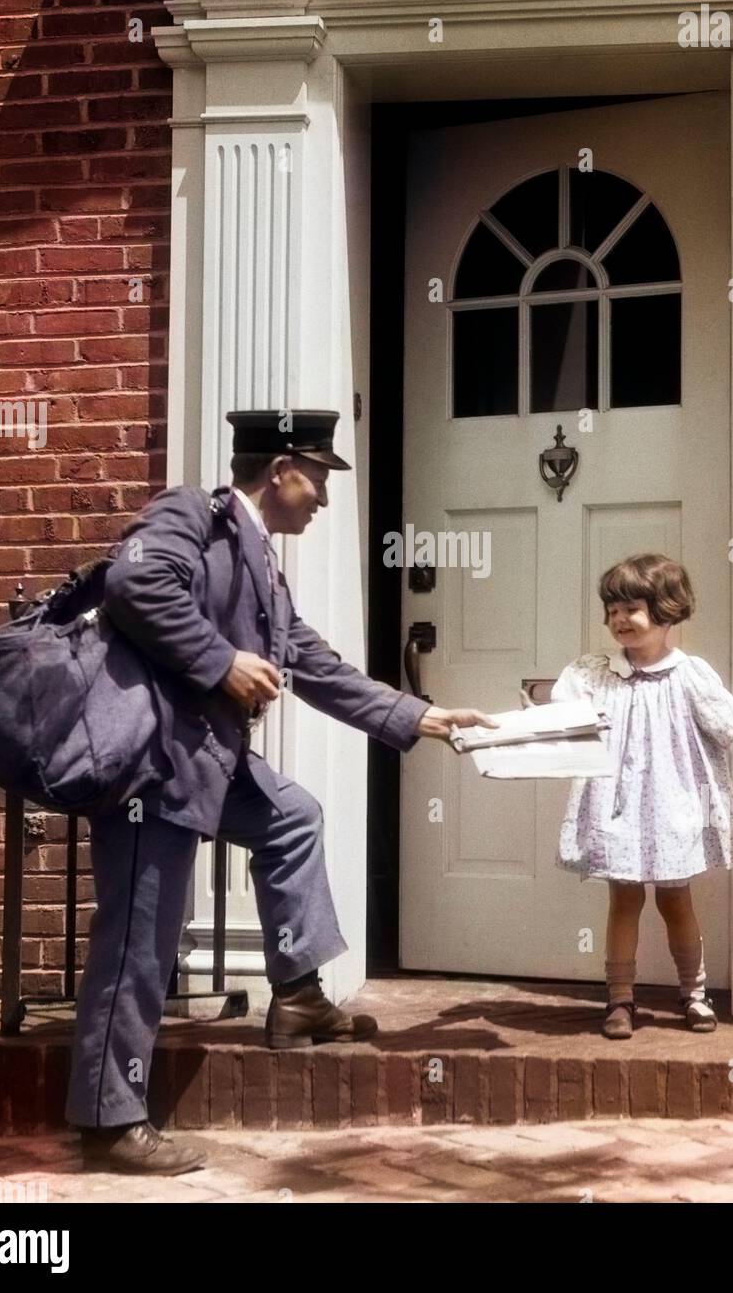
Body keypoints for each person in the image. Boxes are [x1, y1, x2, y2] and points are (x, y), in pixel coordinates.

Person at [68, 408, 496, 1175]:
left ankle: (297, 993)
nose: (325, 500)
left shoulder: (261, 560)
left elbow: (310, 660)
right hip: (153, 765)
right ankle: (109, 1119)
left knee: (291, 817)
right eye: (320, 479)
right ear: (280, 472)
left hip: (207, 759)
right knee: (139, 937)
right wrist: (220, 661)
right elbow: (134, 582)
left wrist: (420, 716)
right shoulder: (190, 513)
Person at [549, 553, 733, 1040]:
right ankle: (620, 1000)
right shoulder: (594, 674)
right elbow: (558, 717)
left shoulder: (690, 675)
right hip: (616, 807)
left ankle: (695, 994)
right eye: (613, 610)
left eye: (632, 609)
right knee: (623, 898)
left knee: (675, 900)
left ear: (667, 612)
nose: (620, 619)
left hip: (674, 806)